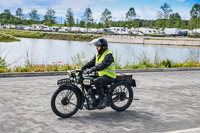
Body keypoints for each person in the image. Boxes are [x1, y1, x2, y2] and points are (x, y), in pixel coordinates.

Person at [81, 38, 116, 109]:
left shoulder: (108, 55)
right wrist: (83, 67)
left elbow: (102, 65)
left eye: (98, 47)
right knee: (85, 80)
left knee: (97, 81)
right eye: (96, 47)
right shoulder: (98, 54)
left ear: (103, 47)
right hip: (100, 75)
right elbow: (92, 63)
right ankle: (92, 98)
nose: (97, 48)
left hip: (109, 76)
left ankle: (103, 100)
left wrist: (92, 69)